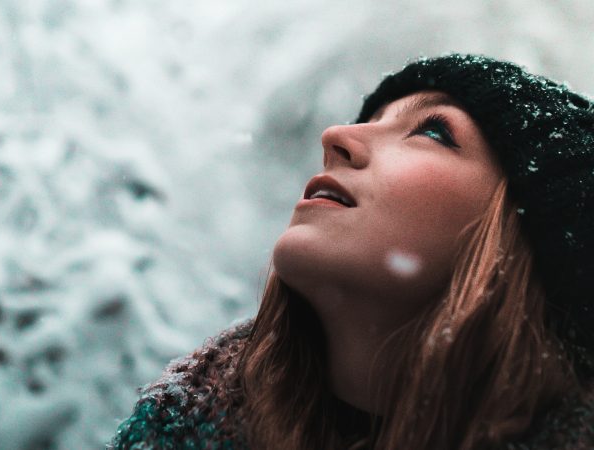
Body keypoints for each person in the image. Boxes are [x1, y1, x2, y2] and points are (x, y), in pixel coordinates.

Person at [107, 54, 594, 449]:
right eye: (372, 119)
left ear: (524, 241)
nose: (336, 137)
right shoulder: (182, 421)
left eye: (432, 131)